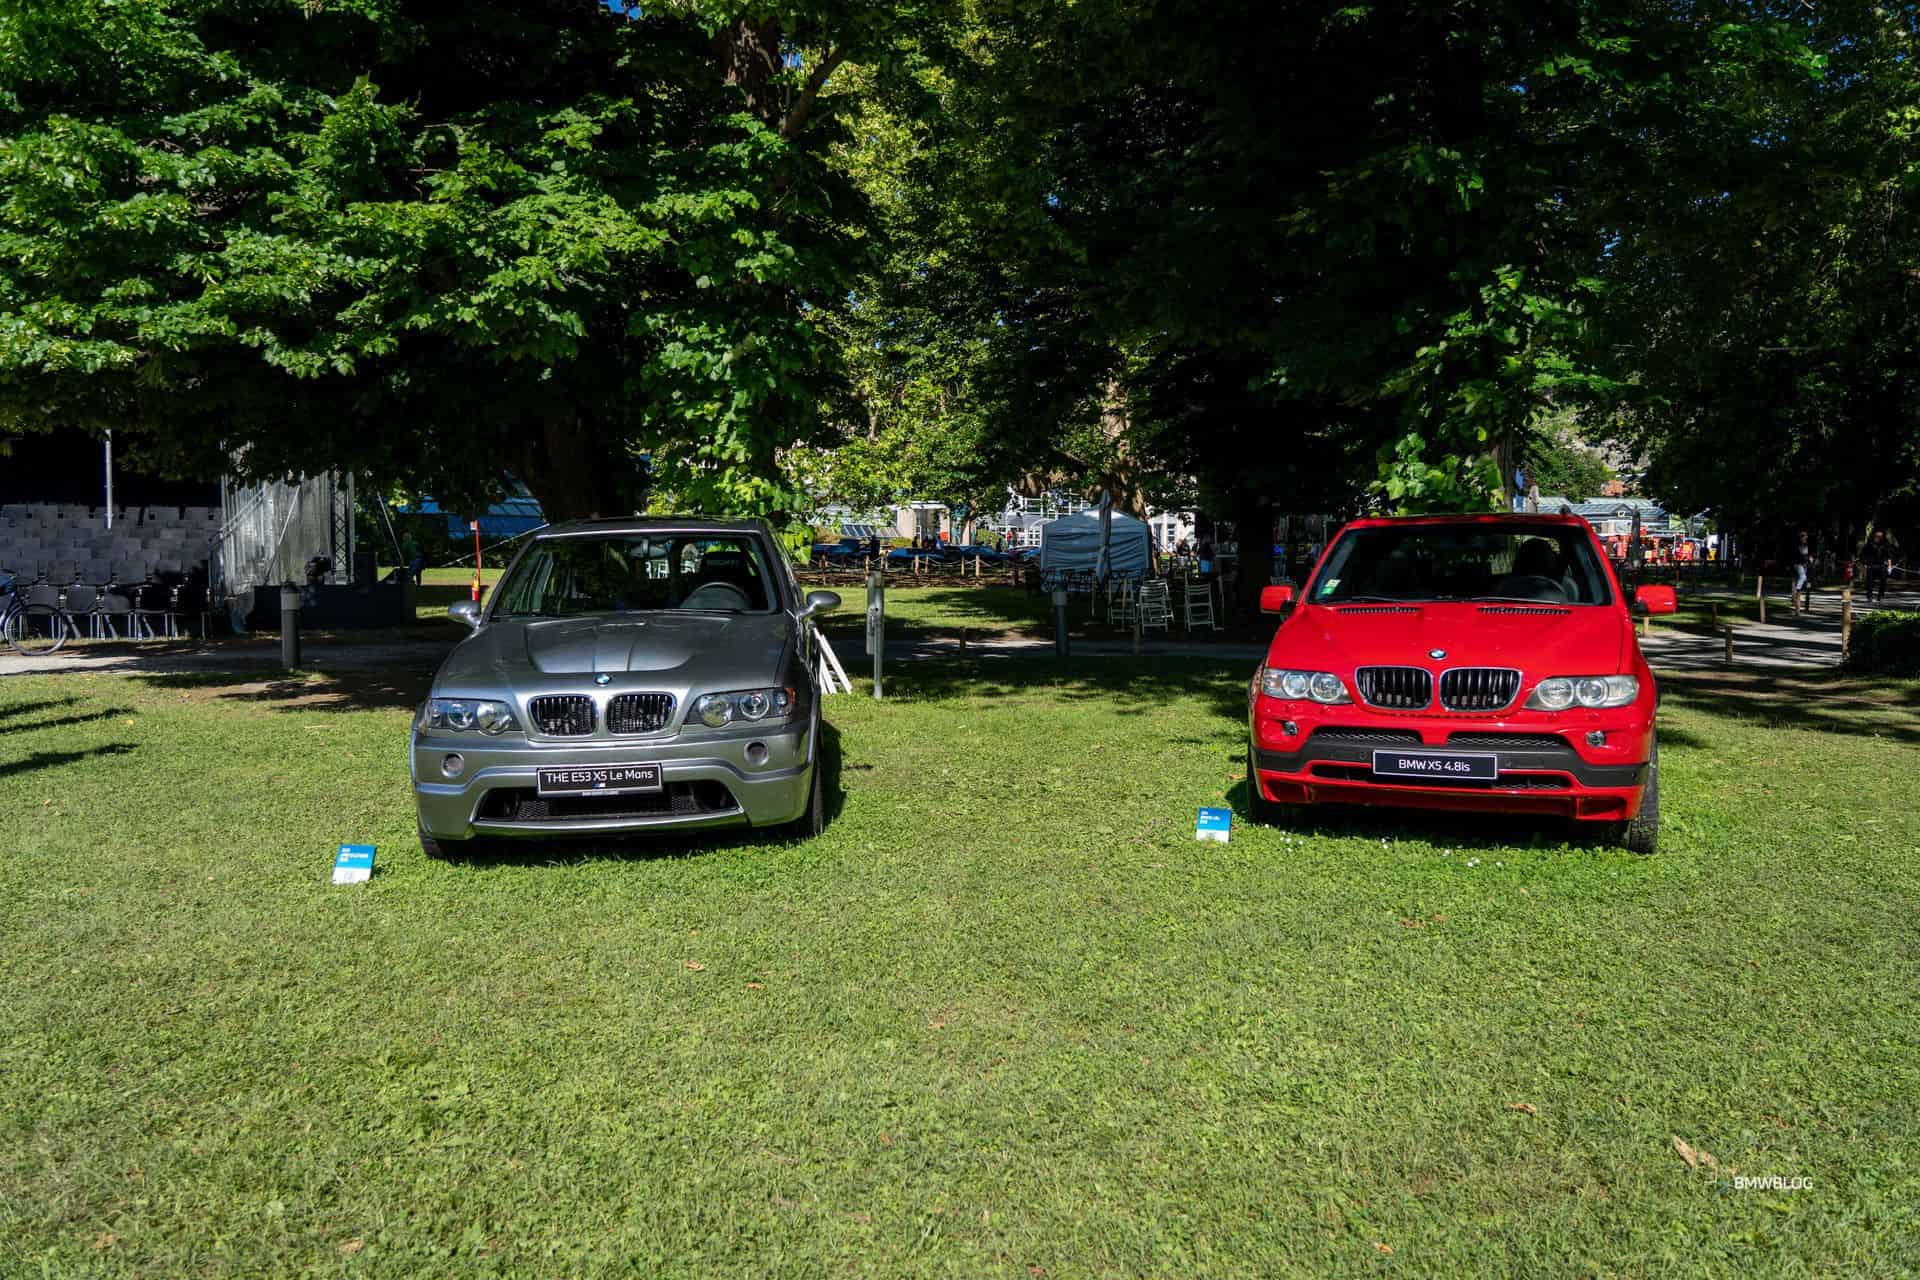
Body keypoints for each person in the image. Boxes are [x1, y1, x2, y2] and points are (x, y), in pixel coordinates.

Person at [1862, 529, 1894, 602]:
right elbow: (1863, 555)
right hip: (1871, 565)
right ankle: (1869, 596)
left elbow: (1889, 556)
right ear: (1874, 536)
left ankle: (1881, 595)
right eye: (1877, 536)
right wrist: (1864, 564)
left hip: (1882, 565)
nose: (1878, 537)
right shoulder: (1869, 544)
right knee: (1870, 582)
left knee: (1883, 581)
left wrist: (1889, 566)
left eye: (1880, 536)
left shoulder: (1885, 545)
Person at [1792, 529, 1811, 604]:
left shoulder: (1805, 544)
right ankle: (1798, 592)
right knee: (1803, 577)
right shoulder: (1799, 544)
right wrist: (1808, 558)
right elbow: (1802, 554)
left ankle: (1796, 597)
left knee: (1802, 579)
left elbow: (1806, 554)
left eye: (1806, 536)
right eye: (1804, 536)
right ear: (1800, 537)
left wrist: (1809, 558)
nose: (1805, 537)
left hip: (1804, 564)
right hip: (1798, 563)